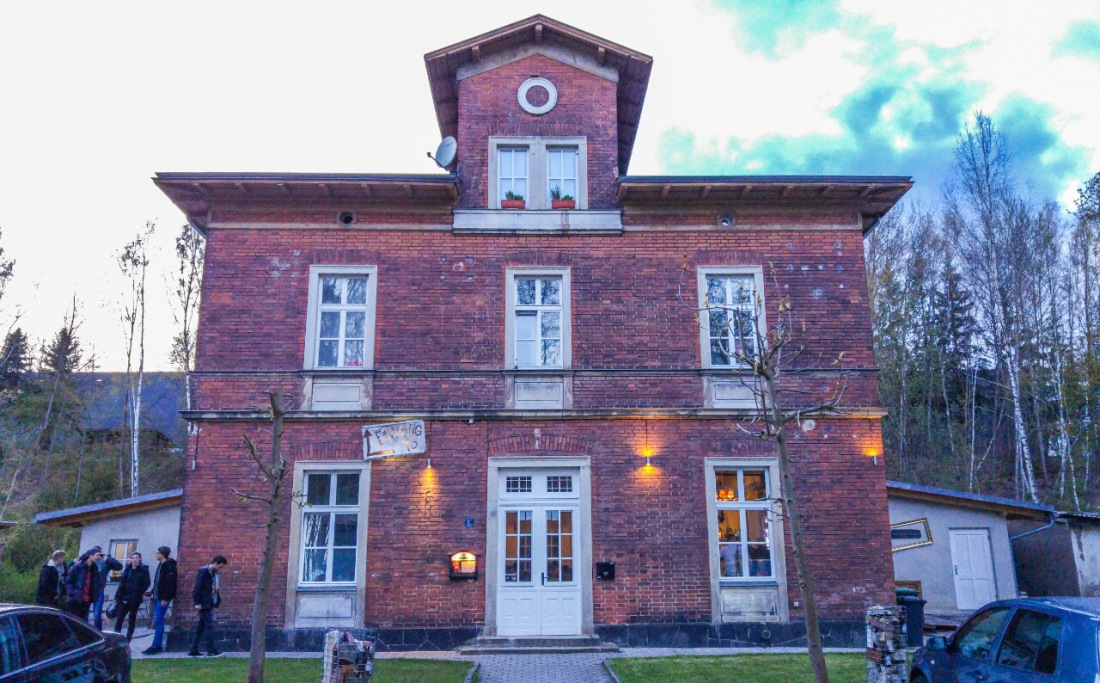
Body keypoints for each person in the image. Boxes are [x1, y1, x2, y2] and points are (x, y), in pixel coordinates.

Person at [189, 555, 227, 657]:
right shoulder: (204, 572)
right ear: (215, 563)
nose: (220, 569)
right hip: (204, 604)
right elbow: (197, 588)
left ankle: (193, 649)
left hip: (209, 603)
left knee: (201, 627)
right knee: (209, 626)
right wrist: (197, 603)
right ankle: (211, 650)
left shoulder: (213, 574)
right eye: (220, 566)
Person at [142, 546, 177, 655]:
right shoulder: (161, 565)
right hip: (157, 596)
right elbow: (158, 581)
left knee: (158, 620)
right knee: (157, 620)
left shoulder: (169, 565)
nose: (156, 555)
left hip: (162, 598)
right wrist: (153, 592)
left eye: (158, 553)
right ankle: (157, 644)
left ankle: (156, 645)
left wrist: (165, 598)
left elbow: (170, 583)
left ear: (162, 554)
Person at [112, 552, 150, 642]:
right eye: (133, 558)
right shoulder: (127, 569)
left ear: (140, 559)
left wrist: (139, 592)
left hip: (134, 599)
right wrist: (118, 596)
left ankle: (128, 639)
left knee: (131, 619)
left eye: (137, 558)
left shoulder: (143, 570)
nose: (135, 560)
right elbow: (122, 583)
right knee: (119, 619)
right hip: (124, 598)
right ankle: (116, 638)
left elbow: (146, 583)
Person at [64, 549, 101, 621]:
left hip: (86, 600)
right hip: (75, 601)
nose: (98, 557)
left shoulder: (94, 568)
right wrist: (72, 593)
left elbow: (95, 583)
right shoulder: (77, 567)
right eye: (97, 555)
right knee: (74, 622)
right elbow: (68, 581)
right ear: (90, 556)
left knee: (83, 622)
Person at [92, 547, 123, 630]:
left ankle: (98, 632)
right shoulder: (89, 561)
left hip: (99, 590)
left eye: (98, 554)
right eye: (95, 554)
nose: (97, 556)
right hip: (88, 590)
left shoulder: (104, 562)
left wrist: (108, 559)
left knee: (96, 615)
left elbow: (119, 566)